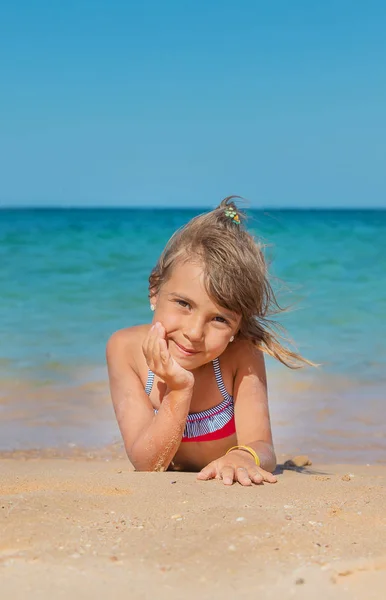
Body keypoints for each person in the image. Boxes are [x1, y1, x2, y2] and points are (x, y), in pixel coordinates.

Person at [106, 197, 312, 486]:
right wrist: (179, 389)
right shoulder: (125, 349)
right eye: (183, 304)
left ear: (237, 327)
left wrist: (243, 457)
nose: (194, 332)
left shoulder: (241, 354)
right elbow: (148, 464)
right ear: (154, 290)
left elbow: (263, 447)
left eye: (219, 319)